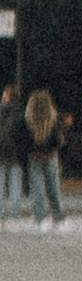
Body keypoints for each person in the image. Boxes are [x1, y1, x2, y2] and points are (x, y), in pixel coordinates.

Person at [25, 89, 65, 232]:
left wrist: (33, 152)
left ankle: (40, 219)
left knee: (37, 190)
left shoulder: (28, 120)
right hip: (51, 156)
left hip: (34, 157)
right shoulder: (54, 119)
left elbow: (23, 140)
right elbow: (59, 140)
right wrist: (52, 152)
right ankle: (59, 218)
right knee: (53, 189)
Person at [1, 84, 26, 229]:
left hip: (1, 152)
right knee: (15, 185)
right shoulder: (21, 113)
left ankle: (0, 216)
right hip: (16, 153)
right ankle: (15, 216)